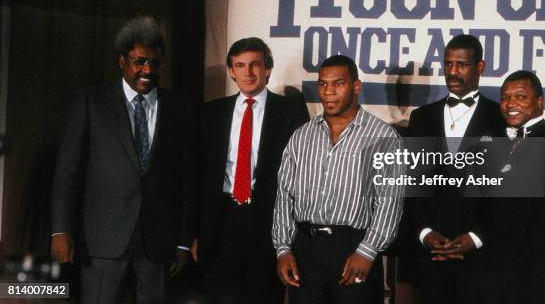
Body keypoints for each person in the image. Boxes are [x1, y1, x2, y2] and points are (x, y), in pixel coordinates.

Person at [51, 16, 196, 303]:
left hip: (158, 243)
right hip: (102, 240)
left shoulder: (181, 109)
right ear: (122, 61)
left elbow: (187, 180)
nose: (147, 70)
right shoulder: (92, 102)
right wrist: (60, 229)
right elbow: (68, 171)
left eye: (154, 63)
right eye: (140, 61)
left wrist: (182, 241)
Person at [273, 55, 404, 304]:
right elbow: (284, 196)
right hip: (305, 250)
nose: (328, 92)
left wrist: (367, 251)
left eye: (338, 83)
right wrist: (283, 248)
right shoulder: (302, 136)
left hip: (354, 248)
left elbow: (390, 203)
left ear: (356, 87)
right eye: (322, 84)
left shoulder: (383, 136)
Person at [197, 37, 309, 304]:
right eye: (240, 65)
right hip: (221, 222)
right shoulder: (211, 113)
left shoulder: (290, 113)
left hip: (268, 223)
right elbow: (198, 176)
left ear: (267, 69)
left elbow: (302, 175)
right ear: (231, 71)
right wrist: (194, 233)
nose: (248, 73)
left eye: (255, 65)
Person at [402, 34, 506, 304]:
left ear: (480, 67)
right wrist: (424, 234)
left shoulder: (501, 119)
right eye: (448, 65)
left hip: (482, 259)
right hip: (430, 258)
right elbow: (410, 185)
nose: (453, 72)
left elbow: (508, 192)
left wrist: (476, 237)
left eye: (461, 65)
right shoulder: (421, 118)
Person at [482, 70, 545, 304]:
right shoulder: (495, 142)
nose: (510, 104)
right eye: (505, 97)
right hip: (497, 277)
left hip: (537, 281)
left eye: (520, 97)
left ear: (539, 101)